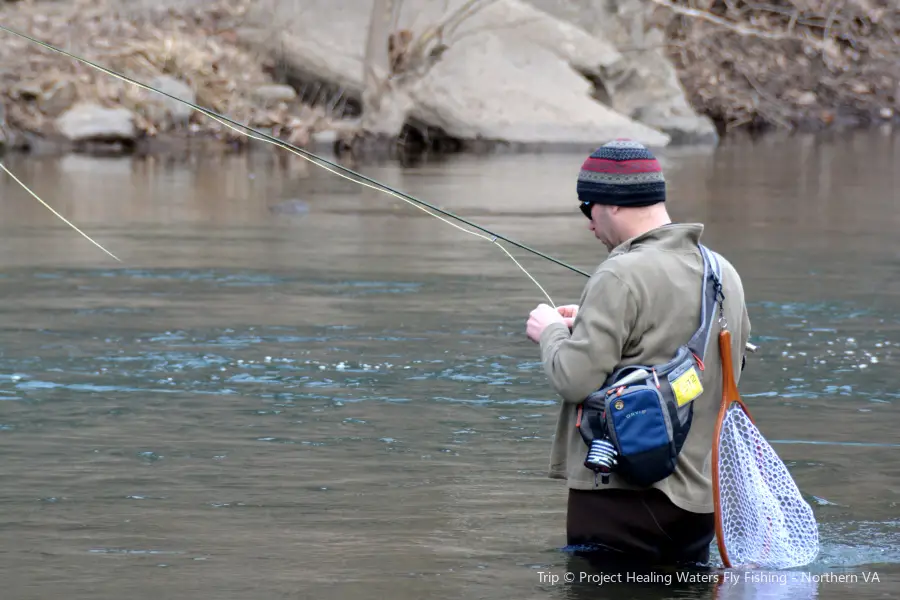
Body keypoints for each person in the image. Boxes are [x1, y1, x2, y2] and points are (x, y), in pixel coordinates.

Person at [525, 139, 751, 566]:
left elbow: (572, 377)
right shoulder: (723, 273)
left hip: (619, 501)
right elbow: (726, 365)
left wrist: (552, 331)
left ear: (610, 204)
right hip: (700, 507)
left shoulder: (618, 272)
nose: (588, 223)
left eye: (585, 207)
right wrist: (587, 324)